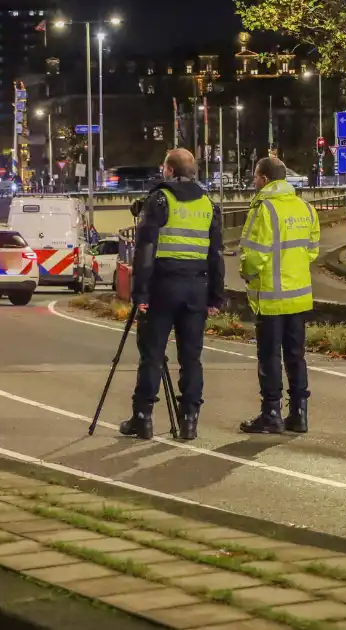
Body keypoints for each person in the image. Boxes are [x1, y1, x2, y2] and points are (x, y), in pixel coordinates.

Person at [119, 148, 225, 442]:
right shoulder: (208, 204)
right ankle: (189, 420)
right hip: (196, 289)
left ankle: (143, 419)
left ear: (169, 170)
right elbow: (216, 253)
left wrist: (139, 292)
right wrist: (216, 295)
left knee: (152, 355)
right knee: (191, 358)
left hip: (163, 288)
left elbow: (146, 251)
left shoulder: (160, 200)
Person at [238, 157, 320, 435]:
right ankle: (299, 414)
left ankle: (271, 413)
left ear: (263, 179)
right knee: (296, 356)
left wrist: (247, 272)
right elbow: (312, 250)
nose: (253, 182)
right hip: (299, 298)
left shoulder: (264, 210)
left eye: (254, 177)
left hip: (271, 299)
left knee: (270, 357)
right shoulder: (306, 208)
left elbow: (253, 255)